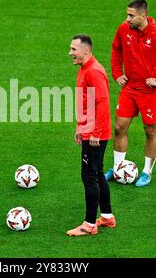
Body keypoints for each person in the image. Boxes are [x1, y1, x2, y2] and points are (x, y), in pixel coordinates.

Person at [105, 0, 156, 186]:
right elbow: (116, 49)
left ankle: (147, 171)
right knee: (119, 128)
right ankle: (118, 168)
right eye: (127, 14)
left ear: (143, 15)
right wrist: (117, 73)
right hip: (129, 88)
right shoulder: (124, 29)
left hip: (149, 92)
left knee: (150, 131)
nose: (127, 19)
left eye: (131, 15)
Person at [66, 35, 116, 236]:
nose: (70, 53)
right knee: (96, 173)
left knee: (89, 176)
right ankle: (107, 217)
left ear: (86, 50)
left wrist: (95, 131)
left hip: (96, 133)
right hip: (90, 130)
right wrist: (80, 126)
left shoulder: (94, 71)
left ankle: (89, 225)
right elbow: (85, 101)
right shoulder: (85, 69)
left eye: (73, 49)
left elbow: (102, 102)